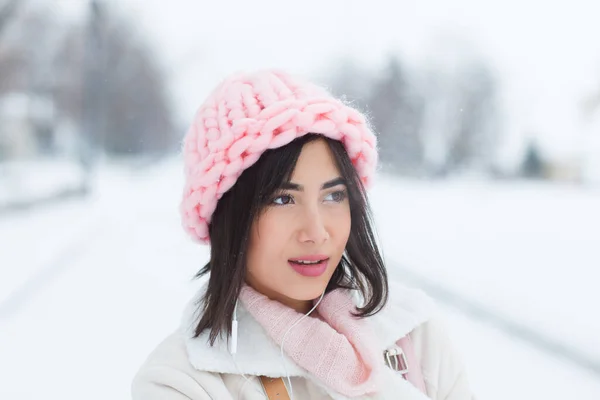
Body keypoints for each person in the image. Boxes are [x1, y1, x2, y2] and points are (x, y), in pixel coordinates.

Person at [132, 70, 475, 400]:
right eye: (283, 199)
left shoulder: (412, 336)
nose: (316, 231)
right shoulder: (180, 382)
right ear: (228, 216)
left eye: (333, 196)